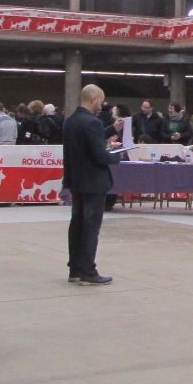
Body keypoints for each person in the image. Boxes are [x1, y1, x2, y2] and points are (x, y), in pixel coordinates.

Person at [63, 84, 121, 285]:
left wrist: (112, 130)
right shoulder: (92, 122)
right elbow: (99, 155)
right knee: (91, 227)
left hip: (76, 181)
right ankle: (88, 270)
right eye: (101, 100)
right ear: (94, 99)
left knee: (77, 224)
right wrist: (117, 157)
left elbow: (87, 142)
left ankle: (75, 269)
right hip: (94, 183)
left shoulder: (71, 121)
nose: (102, 105)